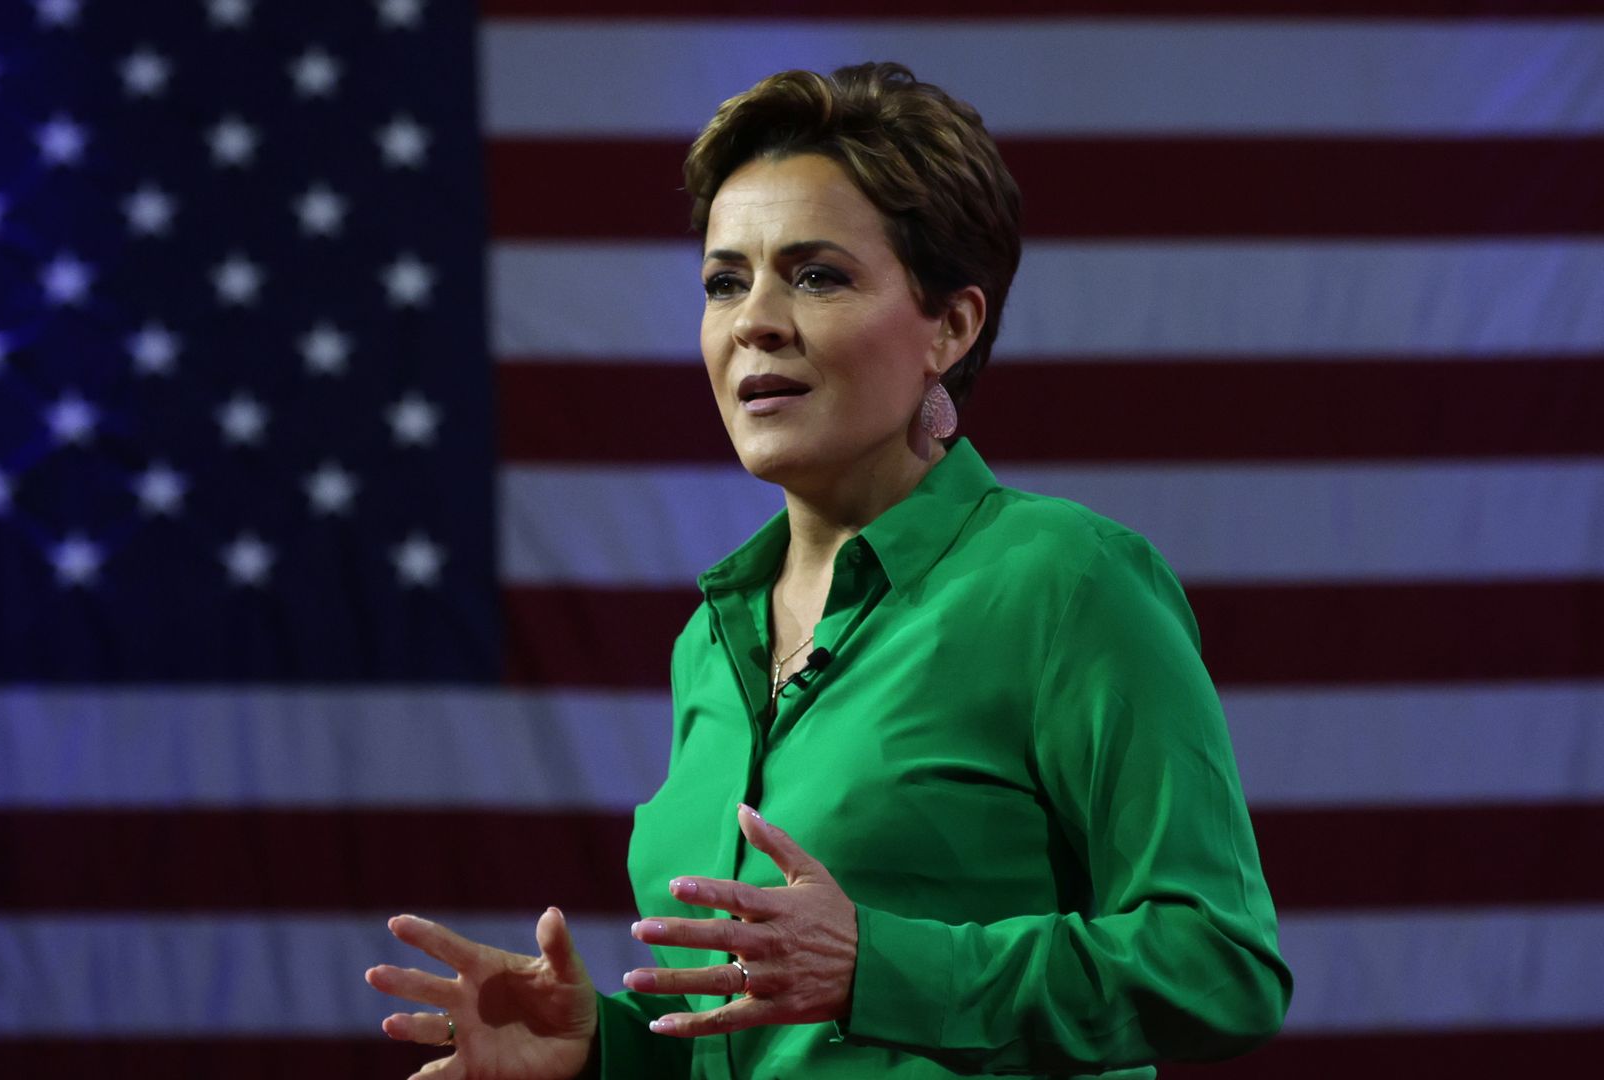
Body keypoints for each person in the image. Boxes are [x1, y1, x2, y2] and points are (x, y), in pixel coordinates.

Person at [364, 61, 1292, 1079]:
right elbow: (770, 1043)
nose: (755, 319)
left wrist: (879, 967)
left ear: (951, 325)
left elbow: (1221, 967)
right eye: (727, 280)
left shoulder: (1065, 581)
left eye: (817, 275)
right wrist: (601, 1052)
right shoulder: (712, 643)